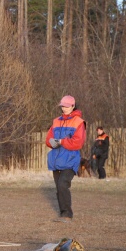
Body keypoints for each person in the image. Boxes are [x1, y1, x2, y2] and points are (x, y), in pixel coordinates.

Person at [46, 95, 86, 223]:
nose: (64, 108)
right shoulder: (56, 121)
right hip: (56, 161)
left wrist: (62, 141)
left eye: (67, 106)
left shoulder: (79, 122)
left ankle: (67, 215)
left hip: (70, 161)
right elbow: (48, 140)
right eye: (62, 106)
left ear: (73, 106)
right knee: (59, 187)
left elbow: (78, 143)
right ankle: (63, 213)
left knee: (63, 184)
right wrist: (53, 142)